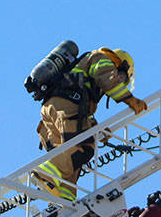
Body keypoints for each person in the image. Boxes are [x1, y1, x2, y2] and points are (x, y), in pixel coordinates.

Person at [33, 47, 148, 200]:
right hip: (66, 106)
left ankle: (65, 198)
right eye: (121, 77)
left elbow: (84, 114)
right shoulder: (101, 58)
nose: (119, 80)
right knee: (84, 147)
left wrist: (97, 129)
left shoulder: (83, 68)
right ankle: (45, 175)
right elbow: (107, 79)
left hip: (53, 109)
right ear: (120, 64)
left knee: (70, 155)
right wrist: (130, 99)